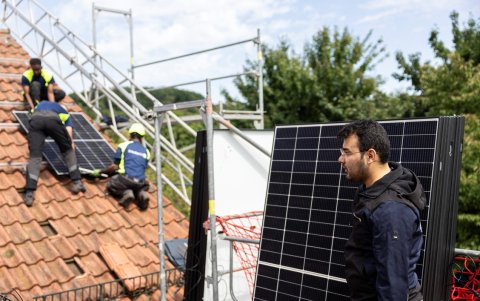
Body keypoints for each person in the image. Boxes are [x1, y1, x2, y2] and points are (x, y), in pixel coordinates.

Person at [337, 120, 425, 301]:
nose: (341, 159)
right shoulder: (371, 192)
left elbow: (393, 286)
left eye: (347, 152)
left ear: (370, 156)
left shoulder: (391, 210)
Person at [24, 89, 86, 206]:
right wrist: (70, 143)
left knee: (35, 157)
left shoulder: (40, 104)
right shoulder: (62, 109)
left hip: (36, 121)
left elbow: (30, 119)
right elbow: (68, 130)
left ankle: (29, 193)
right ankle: (77, 182)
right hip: (53, 120)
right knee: (67, 150)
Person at [91, 123, 150, 211]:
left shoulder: (124, 146)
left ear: (130, 135)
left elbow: (115, 167)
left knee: (112, 184)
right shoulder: (146, 152)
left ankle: (127, 193)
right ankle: (141, 193)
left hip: (126, 179)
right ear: (142, 137)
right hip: (141, 182)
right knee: (141, 184)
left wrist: (100, 172)